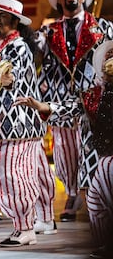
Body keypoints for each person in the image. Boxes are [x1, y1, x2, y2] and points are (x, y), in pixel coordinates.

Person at [15, 40, 113, 258]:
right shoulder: (92, 95)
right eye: (106, 67)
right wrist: (42, 106)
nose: (107, 72)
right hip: (104, 160)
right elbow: (69, 108)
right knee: (95, 201)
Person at [0, 0, 55, 247]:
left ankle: (25, 228)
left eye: (1, 15)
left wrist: (11, 80)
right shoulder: (2, 46)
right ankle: (36, 223)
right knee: (24, 173)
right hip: (12, 125)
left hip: (17, 125)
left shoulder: (17, 46)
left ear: (14, 21)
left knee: (14, 176)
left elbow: (19, 78)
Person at [36, 0, 113, 222]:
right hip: (59, 100)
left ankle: (88, 196)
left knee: (89, 149)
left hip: (92, 98)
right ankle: (72, 191)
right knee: (64, 153)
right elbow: (31, 53)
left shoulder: (103, 27)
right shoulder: (47, 32)